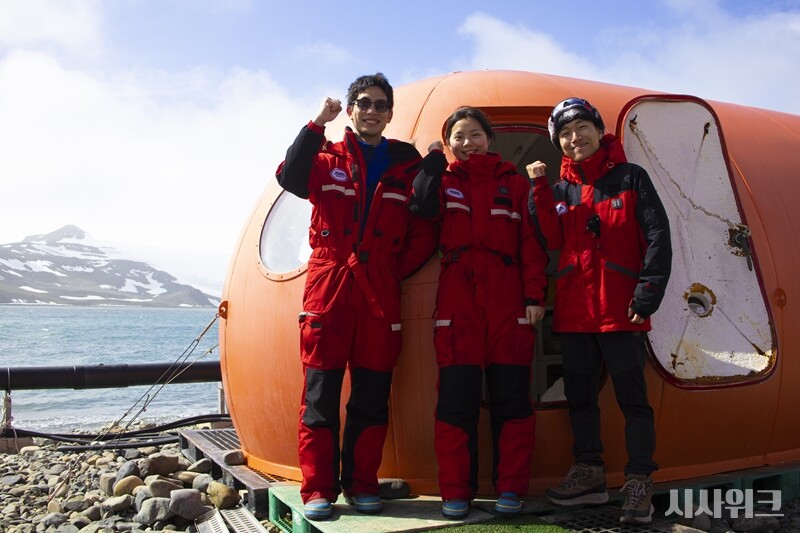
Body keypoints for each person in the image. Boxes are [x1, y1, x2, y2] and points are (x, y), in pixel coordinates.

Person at [275, 73, 439, 520]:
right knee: (320, 395)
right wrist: (315, 124)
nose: (372, 110)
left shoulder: (406, 167)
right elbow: (289, 177)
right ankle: (318, 490)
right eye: (363, 103)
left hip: (380, 291)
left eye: (380, 104)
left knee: (371, 394)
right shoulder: (325, 157)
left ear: (389, 113)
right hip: (328, 285)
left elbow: (423, 231)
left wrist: (387, 268)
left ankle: (362, 483)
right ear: (350, 110)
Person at [526, 97, 672, 525]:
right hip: (574, 315)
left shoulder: (631, 178)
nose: (575, 139)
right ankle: (589, 473)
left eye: (582, 128)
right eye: (565, 135)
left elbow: (658, 236)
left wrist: (646, 294)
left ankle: (639, 480)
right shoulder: (560, 191)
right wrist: (538, 187)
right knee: (580, 399)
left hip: (620, 310)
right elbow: (550, 238)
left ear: (598, 128)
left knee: (634, 401)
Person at [413, 107, 548, 519]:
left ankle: (510, 489)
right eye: (458, 136)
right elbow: (420, 206)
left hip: (508, 303)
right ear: (448, 143)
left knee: (512, 400)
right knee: (456, 402)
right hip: (458, 304)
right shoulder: (443, 181)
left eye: (475, 134)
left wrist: (534, 297)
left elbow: (531, 244)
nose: (467, 142)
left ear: (489, 138)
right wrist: (434, 161)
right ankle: (456, 492)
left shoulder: (515, 184)